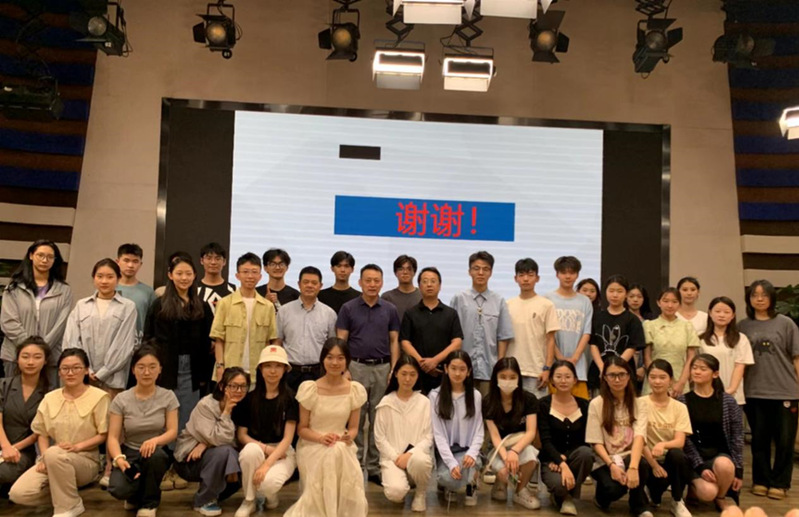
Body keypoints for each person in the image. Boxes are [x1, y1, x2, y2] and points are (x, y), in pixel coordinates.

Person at [9, 348, 110, 517]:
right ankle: (66, 496)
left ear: (86, 370)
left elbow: (104, 434)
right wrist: (44, 457)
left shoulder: (99, 397)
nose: (70, 373)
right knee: (19, 494)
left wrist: (78, 447)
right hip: (53, 457)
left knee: (55, 453)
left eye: (76, 368)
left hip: (85, 460)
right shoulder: (50, 398)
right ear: (59, 372)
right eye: (65, 369)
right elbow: (42, 433)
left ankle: (69, 506)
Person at [283, 338, 368, 517]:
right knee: (332, 454)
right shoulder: (309, 388)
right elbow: (302, 429)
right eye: (330, 357)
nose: (335, 362)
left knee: (337, 452)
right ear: (323, 359)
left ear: (347, 361)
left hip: (340, 443)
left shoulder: (354, 390)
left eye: (340, 358)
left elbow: (353, 428)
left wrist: (348, 436)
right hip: (312, 443)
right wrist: (321, 438)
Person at [336, 264, 400, 484]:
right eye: (368, 280)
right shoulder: (348, 308)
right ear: (360, 282)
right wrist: (344, 368)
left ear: (381, 283)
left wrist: (394, 368)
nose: (372, 284)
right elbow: (341, 340)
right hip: (356, 367)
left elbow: (394, 340)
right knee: (355, 417)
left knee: (378, 418)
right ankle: (354, 463)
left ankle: (374, 466)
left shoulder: (390, 309)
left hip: (383, 368)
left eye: (376, 280)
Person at [739, 279, 799, 500]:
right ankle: (761, 480)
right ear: (749, 299)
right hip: (754, 391)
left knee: (784, 440)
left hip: (785, 390)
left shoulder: (786, 323)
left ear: (772, 298)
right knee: (759, 439)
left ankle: (780, 483)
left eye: (764, 295)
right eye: (754, 295)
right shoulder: (743, 326)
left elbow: (796, 357)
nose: (759, 299)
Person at [144, 253, 214, 432]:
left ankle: (183, 448)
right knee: (164, 413)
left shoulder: (202, 306)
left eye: (188, 274)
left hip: (193, 369)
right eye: (179, 273)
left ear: (194, 275)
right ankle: (164, 447)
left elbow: (207, 343)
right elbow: (149, 338)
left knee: (188, 416)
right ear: (170, 275)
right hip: (165, 366)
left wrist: (204, 375)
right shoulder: (159, 305)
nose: (184, 278)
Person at [107, 344, 179, 517]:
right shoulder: (121, 399)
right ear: (133, 370)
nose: (147, 372)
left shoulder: (168, 396)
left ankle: (149, 504)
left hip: (155, 451)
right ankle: (134, 496)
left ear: (160, 369)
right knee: (117, 488)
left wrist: (155, 441)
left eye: (152, 367)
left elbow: (172, 431)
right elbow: (113, 437)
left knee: (156, 457)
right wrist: (118, 458)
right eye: (141, 367)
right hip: (130, 451)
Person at [174, 367, 249, 517]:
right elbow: (219, 439)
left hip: (218, 456)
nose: (238, 391)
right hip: (190, 460)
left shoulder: (245, 406)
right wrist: (226, 413)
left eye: (243, 386)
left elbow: (239, 439)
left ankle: (212, 494)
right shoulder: (206, 405)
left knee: (242, 456)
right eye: (233, 386)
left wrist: (206, 443)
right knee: (225, 452)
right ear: (222, 386)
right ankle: (203, 501)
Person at [233, 345, 298, 516]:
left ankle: (271, 496)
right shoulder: (249, 399)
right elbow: (242, 435)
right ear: (261, 369)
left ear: (285, 370)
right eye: (268, 366)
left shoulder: (291, 398)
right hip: (258, 447)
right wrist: (266, 449)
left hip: (283, 452)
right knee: (250, 451)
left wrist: (267, 463)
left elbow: (288, 439)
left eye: (278, 366)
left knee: (267, 484)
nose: (273, 371)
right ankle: (249, 501)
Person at [585, 355, 651, 517]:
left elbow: (639, 437)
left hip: (628, 455)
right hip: (604, 460)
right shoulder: (596, 404)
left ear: (629, 376)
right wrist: (612, 465)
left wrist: (633, 467)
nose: (617, 379)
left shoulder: (639, 403)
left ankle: (638, 505)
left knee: (641, 464)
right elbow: (596, 442)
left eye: (621, 374)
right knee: (614, 489)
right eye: (612, 375)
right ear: (604, 378)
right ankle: (600, 498)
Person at [1, 239, 72, 384]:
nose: (45, 260)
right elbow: (8, 322)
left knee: (47, 396)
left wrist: (42, 350)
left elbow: (61, 324)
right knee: (13, 395)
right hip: (15, 355)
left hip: (50, 357)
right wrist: (30, 350)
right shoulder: (14, 288)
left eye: (50, 257)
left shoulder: (64, 290)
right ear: (31, 255)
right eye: (40, 255)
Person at [678, 354, 744, 511]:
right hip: (693, 457)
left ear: (715, 374)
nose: (697, 372)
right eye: (694, 368)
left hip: (718, 454)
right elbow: (684, 439)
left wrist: (739, 471)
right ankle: (694, 487)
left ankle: (721, 497)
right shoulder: (682, 401)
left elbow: (737, 437)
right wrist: (700, 466)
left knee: (725, 466)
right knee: (707, 493)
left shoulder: (728, 401)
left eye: (703, 369)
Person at [63, 259, 138, 396]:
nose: (104, 281)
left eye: (110, 277)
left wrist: (103, 372)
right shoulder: (81, 305)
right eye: (100, 276)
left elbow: (124, 344)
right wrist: (85, 369)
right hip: (82, 378)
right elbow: (71, 340)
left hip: (113, 380)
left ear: (118, 279)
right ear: (94, 278)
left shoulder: (128, 307)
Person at [374, 355, 433, 512]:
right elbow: (380, 438)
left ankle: (420, 493)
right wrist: (396, 457)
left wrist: (410, 454)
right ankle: (402, 487)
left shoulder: (424, 402)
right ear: (395, 374)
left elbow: (428, 437)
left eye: (412, 374)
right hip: (392, 460)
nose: (408, 379)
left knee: (421, 461)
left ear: (418, 376)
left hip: (415, 457)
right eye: (404, 374)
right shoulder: (386, 403)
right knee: (395, 492)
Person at [450, 251, 513, 395]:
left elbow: (503, 337)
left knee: (488, 406)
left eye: (485, 269)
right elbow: (451, 335)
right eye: (476, 268)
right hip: (461, 370)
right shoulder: (459, 299)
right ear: (469, 271)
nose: (480, 273)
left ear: (491, 272)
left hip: (489, 370)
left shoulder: (499, 301)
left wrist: (499, 367)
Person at [482, 357, 541, 510]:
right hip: (498, 449)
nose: (507, 381)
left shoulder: (529, 399)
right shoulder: (488, 402)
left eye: (512, 377)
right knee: (503, 473)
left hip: (521, 445)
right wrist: (506, 457)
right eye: (503, 376)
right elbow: (495, 436)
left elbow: (531, 432)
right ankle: (500, 483)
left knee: (531, 457)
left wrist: (514, 451)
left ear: (519, 378)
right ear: (495, 377)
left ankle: (520, 491)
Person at [211, 253, 277, 383]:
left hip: (257, 373)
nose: (250, 276)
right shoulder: (224, 303)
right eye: (245, 272)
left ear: (260, 276)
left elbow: (269, 341)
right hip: (229, 372)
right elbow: (219, 339)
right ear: (237, 275)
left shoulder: (268, 306)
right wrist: (220, 366)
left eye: (254, 272)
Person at [429, 350, 484, 506]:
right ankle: (452, 484)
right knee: (446, 477)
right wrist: (451, 463)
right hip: (447, 451)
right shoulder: (435, 396)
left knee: (470, 464)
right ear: (446, 369)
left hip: (467, 451)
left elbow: (479, 430)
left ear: (469, 372)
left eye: (462, 369)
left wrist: (472, 453)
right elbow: (438, 434)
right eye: (453, 368)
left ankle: (472, 481)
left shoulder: (475, 396)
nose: (457, 373)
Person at [538, 360, 593, 516]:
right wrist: (557, 460)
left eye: (568, 377)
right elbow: (545, 440)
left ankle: (568, 498)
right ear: (552, 380)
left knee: (586, 454)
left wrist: (564, 461)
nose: (563, 381)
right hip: (550, 461)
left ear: (575, 380)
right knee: (559, 485)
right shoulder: (543, 405)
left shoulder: (584, 405)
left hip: (574, 458)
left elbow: (585, 441)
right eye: (558, 376)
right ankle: (562, 495)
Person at [639, 360, 693, 517]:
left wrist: (663, 444)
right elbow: (638, 439)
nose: (657, 381)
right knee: (639, 462)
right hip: (647, 460)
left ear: (671, 380)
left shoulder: (679, 407)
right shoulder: (639, 403)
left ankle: (677, 501)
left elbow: (680, 441)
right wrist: (654, 464)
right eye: (653, 377)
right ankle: (645, 498)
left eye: (662, 377)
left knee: (677, 455)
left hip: (668, 462)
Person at [400, 267, 463, 394]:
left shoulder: (450, 313)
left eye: (433, 281)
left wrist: (435, 361)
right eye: (425, 281)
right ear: (419, 286)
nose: (429, 285)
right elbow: (405, 342)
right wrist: (423, 363)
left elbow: (457, 342)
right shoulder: (410, 313)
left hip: (443, 373)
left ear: (440, 286)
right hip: (416, 373)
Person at [275, 266, 337, 392]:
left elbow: (332, 346)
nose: (309, 286)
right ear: (299, 284)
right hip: (291, 372)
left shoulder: (329, 313)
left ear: (320, 286)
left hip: (318, 372)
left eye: (314, 283)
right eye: (306, 282)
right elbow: (278, 342)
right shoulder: (284, 311)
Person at [506, 258, 560, 399]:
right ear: (515, 278)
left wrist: (547, 368)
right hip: (512, 370)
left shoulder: (547, 305)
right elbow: (503, 339)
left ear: (537, 278)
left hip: (537, 372)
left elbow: (550, 340)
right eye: (521, 275)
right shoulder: (507, 305)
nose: (526, 279)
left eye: (530, 275)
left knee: (536, 410)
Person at [0, 336, 49, 492]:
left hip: (22, 450)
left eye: (37, 357)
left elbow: (39, 432)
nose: (30, 362)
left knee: (4, 472)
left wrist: (13, 449)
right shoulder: (3, 385)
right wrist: (5, 447)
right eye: (25, 356)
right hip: (3, 443)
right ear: (17, 359)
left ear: (45, 361)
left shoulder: (49, 393)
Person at [544, 257, 593, 399]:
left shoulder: (585, 301)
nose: (567, 276)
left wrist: (575, 358)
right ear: (557, 274)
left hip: (578, 368)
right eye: (563, 272)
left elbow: (586, 332)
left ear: (577, 275)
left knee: (580, 407)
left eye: (571, 273)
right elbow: (547, 334)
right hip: (554, 367)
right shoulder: (548, 299)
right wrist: (559, 357)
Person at [588, 275, 644, 394]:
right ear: (605, 292)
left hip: (624, 372)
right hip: (599, 371)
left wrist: (615, 369)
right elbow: (593, 344)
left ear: (626, 294)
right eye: (611, 291)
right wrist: (603, 368)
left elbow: (632, 346)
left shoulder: (632, 319)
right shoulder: (597, 317)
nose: (615, 295)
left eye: (619, 291)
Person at [643, 288, 700, 395]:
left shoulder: (687, 326)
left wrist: (681, 382)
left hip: (680, 379)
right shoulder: (649, 325)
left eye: (674, 302)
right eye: (665, 301)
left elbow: (691, 357)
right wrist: (655, 378)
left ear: (679, 304)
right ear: (658, 302)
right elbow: (647, 357)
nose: (670, 305)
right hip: (655, 380)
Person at [698, 297, 754, 406]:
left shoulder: (740, 338)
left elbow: (739, 366)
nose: (722, 315)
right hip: (705, 395)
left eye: (726, 312)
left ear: (733, 315)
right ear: (710, 313)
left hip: (732, 396)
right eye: (717, 311)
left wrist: (730, 390)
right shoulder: (701, 339)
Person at [116, 243, 157, 341]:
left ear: (140, 264)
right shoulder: (108, 289)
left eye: (135, 261)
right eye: (126, 260)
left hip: (138, 344)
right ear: (117, 262)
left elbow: (154, 323)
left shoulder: (148, 292)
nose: (130, 265)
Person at [197, 243, 237, 316]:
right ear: (201, 261)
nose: (213, 262)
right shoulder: (194, 289)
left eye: (217, 259)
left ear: (224, 261)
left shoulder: (234, 290)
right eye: (209, 258)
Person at [381, 255, 422, 321]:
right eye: (401, 269)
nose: (405, 272)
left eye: (409, 269)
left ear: (414, 272)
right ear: (395, 273)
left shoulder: (422, 296)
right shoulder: (387, 297)